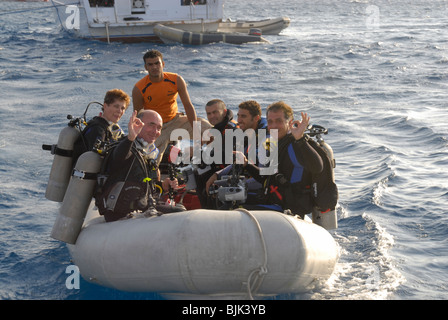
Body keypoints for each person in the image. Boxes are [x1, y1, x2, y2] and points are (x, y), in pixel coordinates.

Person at [240, 101, 324, 218]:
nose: (273, 126)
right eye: (270, 122)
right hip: (274, 199)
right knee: (226, 198)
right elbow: (267, 177)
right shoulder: (275, 144)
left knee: (232, 208)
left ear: (289, 123)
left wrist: (300, 139)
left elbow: (318, 167)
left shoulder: (296, 143)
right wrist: (246, 164)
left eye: (278, 121)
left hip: (289, 208)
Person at [96, 110, 179, 222]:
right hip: (120, 213)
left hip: (140, 205)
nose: (156, 131)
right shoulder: (127, 146)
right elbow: (118, 158)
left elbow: (143, 182)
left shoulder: (148, 152)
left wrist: (163, 185)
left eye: (159, 128)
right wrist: (130, 137)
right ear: (137, 124)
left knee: (179, 208)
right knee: (179, 212)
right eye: (151, 125)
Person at [132, 49, 211, 166]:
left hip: (176, 121)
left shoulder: (176, 80)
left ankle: (211, 166)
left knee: (211, 132)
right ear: (145, 67)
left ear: (163, 64)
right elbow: (138, 116)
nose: (154, 67)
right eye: (150, 64)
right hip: (157, 128)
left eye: (157, 63)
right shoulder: (139, 88)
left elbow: (188, 105)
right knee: (149, 162)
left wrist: (196, 129)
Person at [204, 100, 268, 208]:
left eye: (243, 116)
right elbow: (239, 160)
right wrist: (217, 175)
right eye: (238, 116)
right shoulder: (248, 134)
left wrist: (228, 186)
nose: (239, 120)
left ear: (256, 118)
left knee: (220, 198)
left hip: (261, 191)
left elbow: (263, 179)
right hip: (245, 180)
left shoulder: (265, 140)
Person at [195, 99, 239, 207]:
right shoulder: (219, 128)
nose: (211, 116)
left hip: (230, 172)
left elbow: (224, 156)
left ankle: (209, 209)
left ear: (224, 112)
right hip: (220, 167)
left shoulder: (230, 129)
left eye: (215, 112)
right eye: (209, 114)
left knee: (198, 173)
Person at [73, 89, 130, 164]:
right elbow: (98, 158)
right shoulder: (97, 129)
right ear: (105, 106)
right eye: (116, 106)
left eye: (123, 108)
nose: (120, 111)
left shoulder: (108, 127)